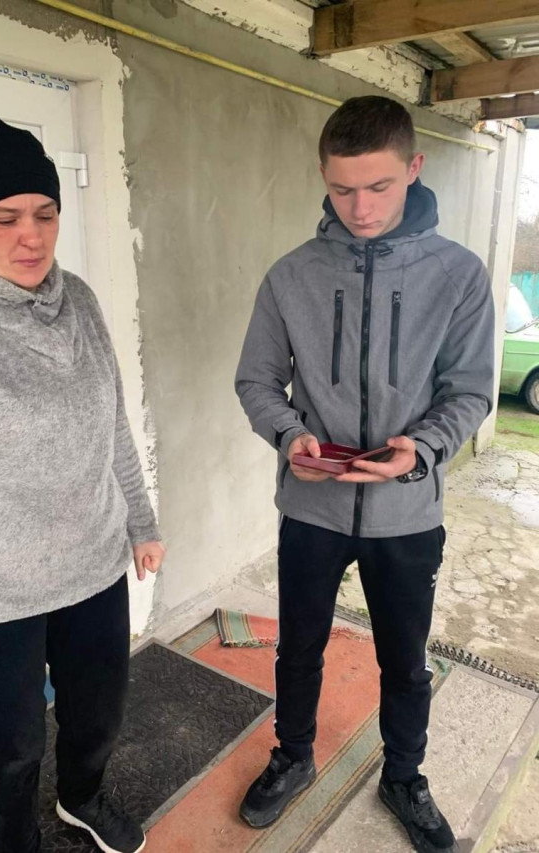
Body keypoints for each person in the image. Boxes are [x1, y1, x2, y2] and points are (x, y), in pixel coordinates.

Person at [0, 116, 165, 853]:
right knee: (12, 749)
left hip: (92, 564)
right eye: (5, 217)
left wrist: (140, 522)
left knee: (97, 715)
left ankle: (82, 798)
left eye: (45, 214)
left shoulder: (78, 298)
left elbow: (112, 419)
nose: (31, 236)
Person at [235, 96, 494, 853]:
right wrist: (290, 437)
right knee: (298, 648)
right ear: (323, 177)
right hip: (311, 507)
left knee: (404, 661)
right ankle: (292, 755)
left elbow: (470, 390)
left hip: (407, 512)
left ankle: (404, 777)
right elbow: (256, 381)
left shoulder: (459, 275)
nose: (361, 208)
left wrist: (425, 447)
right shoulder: (291, 275)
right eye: (342, 188)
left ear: (414, 168)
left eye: (379, 186)